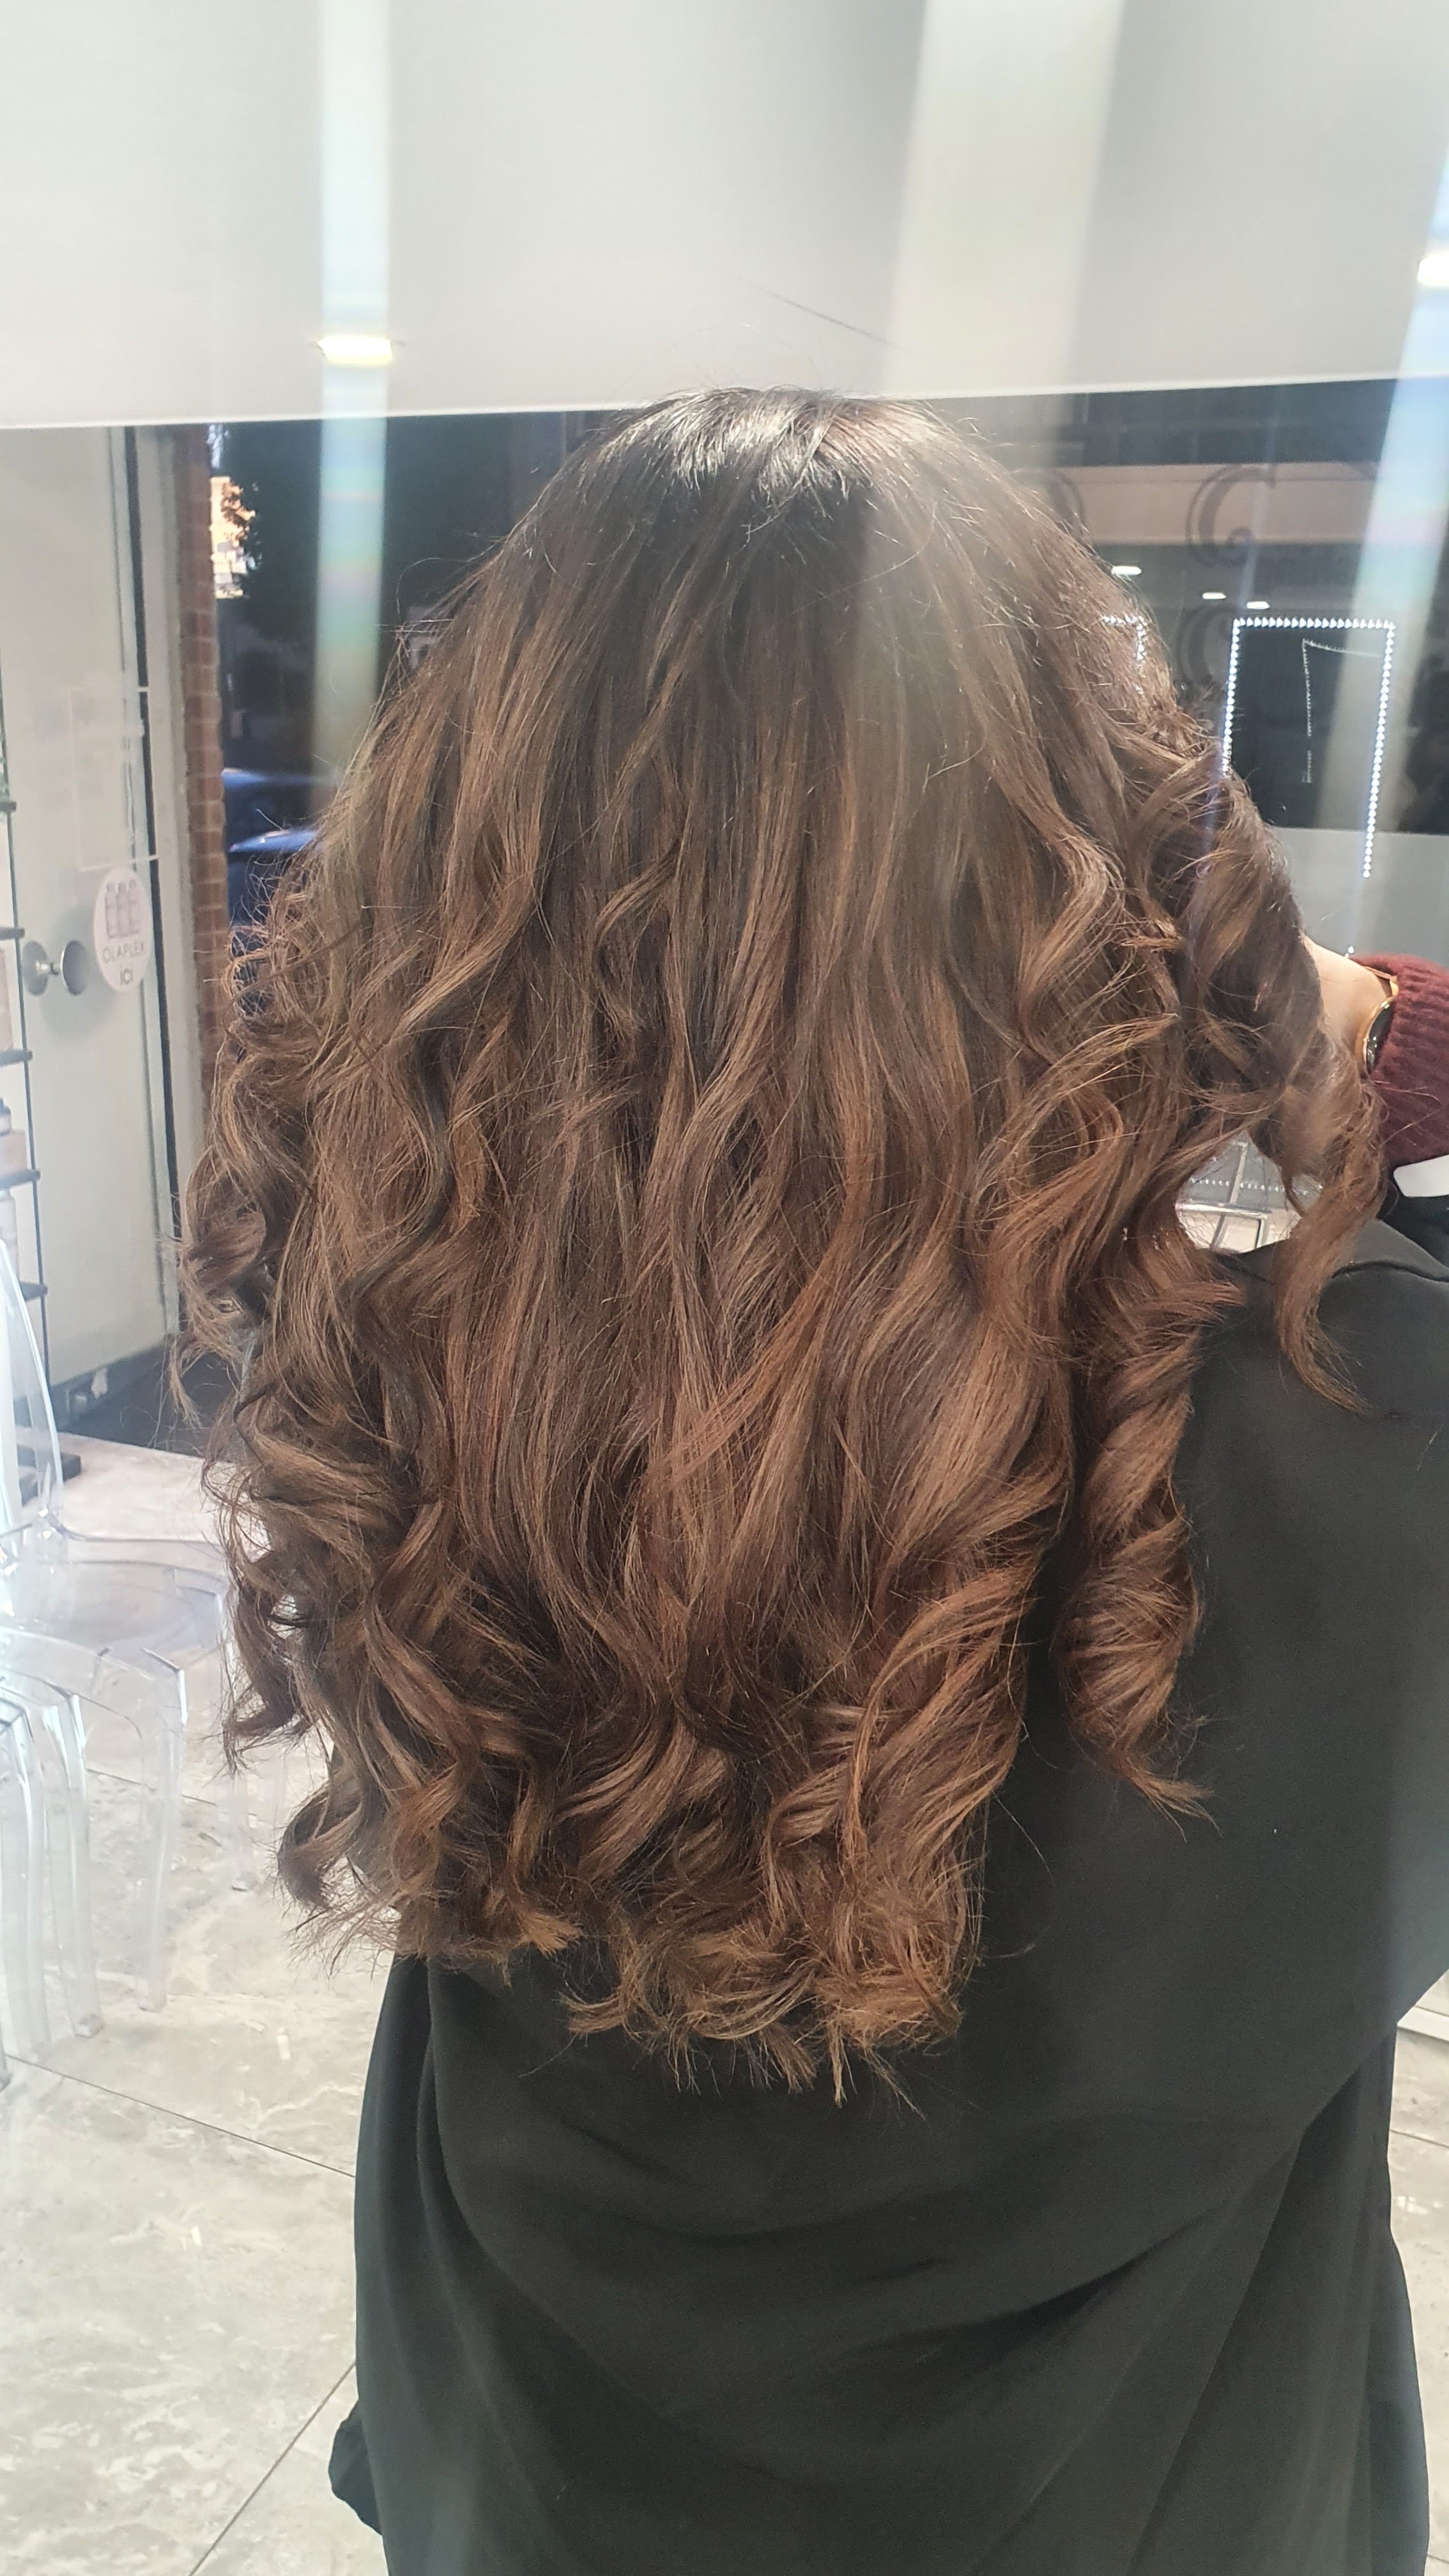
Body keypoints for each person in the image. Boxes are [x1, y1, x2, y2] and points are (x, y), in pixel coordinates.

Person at [182, 392, 1449, 2576]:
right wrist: (1338, 1025)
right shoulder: (1375, 1453)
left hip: (539, 2440)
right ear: (1117, 888)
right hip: (1146, 2494)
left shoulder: (407, 1360)